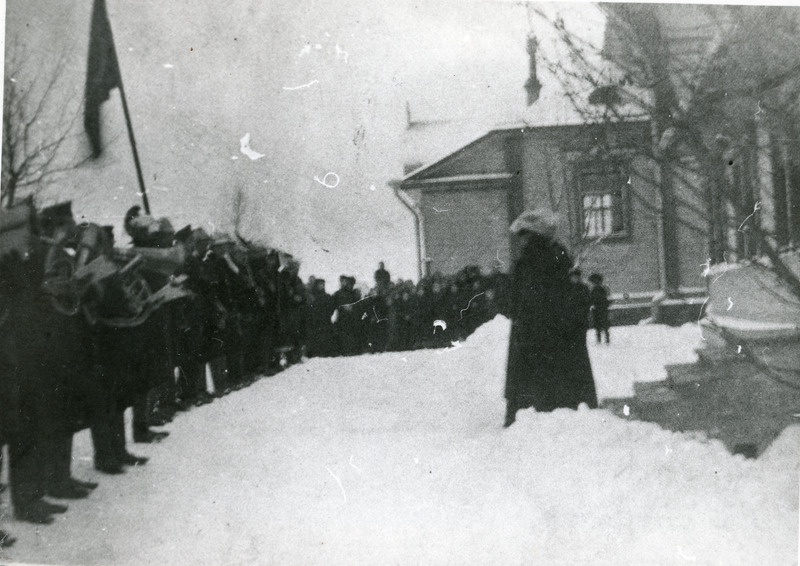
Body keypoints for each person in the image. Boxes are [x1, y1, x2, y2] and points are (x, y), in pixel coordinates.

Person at [503, 209, 598, 427]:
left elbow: (521, 296)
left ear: (533, 235)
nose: (522, 240)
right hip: (553, 328)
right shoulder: (558, 255)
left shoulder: (530, 260)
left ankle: (531, 413)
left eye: (524, 235)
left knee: (532, 378)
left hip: (534, 329)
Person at [589, 273, 611, 344]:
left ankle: (600, 340)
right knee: (603, 324)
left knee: (598, 324)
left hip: (598, 308)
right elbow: (608, 297)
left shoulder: (595, 289)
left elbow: (591, 299)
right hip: (602, 308)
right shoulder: (603, 288)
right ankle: (605, 339)